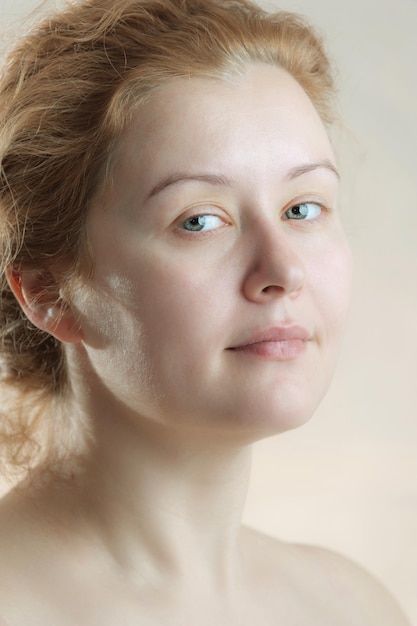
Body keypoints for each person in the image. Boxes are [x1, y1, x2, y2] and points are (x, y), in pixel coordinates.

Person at [0, 0, 410, 624]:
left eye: (303, 208)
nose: (283, 271)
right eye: (200, 220)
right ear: (49, 292)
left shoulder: (354, 606)